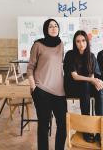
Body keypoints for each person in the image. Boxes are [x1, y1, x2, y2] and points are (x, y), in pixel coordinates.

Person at [63, 30, 103, 148]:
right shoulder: (70, 54)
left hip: (86, 85)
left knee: (99, 90)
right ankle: (87, 128)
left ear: (87, 42)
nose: (81, 44)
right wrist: (92, 81)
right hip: (72, 85)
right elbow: (74, 76)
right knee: (86, 85)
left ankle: (101, 131)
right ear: (75, 43)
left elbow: (92, 75)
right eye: (78, 41)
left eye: (83, 41)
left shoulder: (91, 56)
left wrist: (96, 82)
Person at [27, 18, 67, 150]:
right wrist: (34, 88)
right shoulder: (38, 45)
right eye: (50, 26)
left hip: (59, 91)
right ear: (46, 29)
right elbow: (30, 68)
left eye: (56, 26)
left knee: (63, 125)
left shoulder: (61, 44)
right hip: (42, 89)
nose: (54, 28)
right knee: (44, 125)